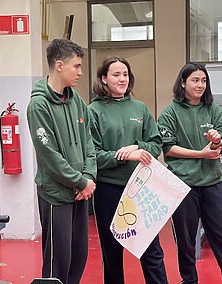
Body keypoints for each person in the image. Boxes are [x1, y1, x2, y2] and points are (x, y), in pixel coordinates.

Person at [157, 62, 222, 284]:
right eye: (195, 80)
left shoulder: (213, 110)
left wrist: (217, 142)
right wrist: (200, 154)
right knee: (185, 241)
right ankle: (189, 280)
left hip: (212, 182)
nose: (200, 85)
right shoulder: (170, 112)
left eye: (204, 80)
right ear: (183, 82)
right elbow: (168, 148)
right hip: (182, 185)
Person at [88, 56, 168, 284]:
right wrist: (120, 155)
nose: (122, 79)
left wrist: (138, 147)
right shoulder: (94, 111)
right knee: (112, 252)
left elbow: (155, 144)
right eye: (116, 74)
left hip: (140, 188)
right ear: (104, 78)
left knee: (151, 249)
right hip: (109, 190)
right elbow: (92, 155)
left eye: (125, 74)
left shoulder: (140, 108)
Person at [27, 38, 97, 284]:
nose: (80, 72)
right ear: (59, 65)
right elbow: (49, 156)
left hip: (80, 192)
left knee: (79, 255)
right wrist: (79, 182)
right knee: (59, 259)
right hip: (56, 194)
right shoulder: (39, 106)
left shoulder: (76, 101)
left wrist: (88, 179)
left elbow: (89, 143)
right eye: (76, 66)